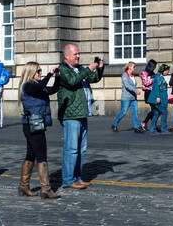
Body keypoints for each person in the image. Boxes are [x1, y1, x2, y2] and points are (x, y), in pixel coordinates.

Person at [57, 44, 104, 189]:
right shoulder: (63, 70)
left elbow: (94, 78)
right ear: (67, 56)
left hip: (82, 113)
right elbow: (72, 82)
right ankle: (68, 180)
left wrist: (99, 67)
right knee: (71, 149)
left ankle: (77, 177)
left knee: (81, 148)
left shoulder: (80, 69)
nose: (78, 56)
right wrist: (88, 69)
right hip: (71, 114)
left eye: (78, 54)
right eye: (75, 54)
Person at [18, 62, 60, 198]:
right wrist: (49, 74)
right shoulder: (28, 86)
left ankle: (23, 186)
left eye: (41, 71)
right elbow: (41, 86)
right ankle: (46, 189)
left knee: (31, 155)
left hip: (35, 125)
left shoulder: (38, 88)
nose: (40, 73)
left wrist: (57, 76)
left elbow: (53, 89)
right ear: (31, 73)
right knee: (42, 156)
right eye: (38, 71)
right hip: (33, 125)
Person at [112, 62, 143, 132]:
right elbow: (127, 86)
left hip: (133, 98)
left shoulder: (133, 76)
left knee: (135, 113)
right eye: (134, 67)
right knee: (123, 112)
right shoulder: (124, 76)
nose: (135, 68)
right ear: (129, 67)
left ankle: (136, 127)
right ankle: (114, 124)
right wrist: (135, 90)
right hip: (126, 98)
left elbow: (133, 85)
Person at [149, 64, 172, 134]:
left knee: (156, 114)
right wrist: (158, 97)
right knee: (164, 112)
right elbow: (156, 87)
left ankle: (152, 129)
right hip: (159, 99)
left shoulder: (160, 76)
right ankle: (164, 129)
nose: (168, 72)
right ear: (164, 70)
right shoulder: (158, 77)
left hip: (160, 98)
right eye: (167, 70)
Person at [140, 60, 156, 131]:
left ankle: (148, 123)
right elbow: (146, 82)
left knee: (154, 109)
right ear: (151, 66)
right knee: (154, 109)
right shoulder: (144, 73)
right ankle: (146, 123)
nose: (155, 67)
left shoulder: (153, 73)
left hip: (153, 92)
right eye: (154, 66)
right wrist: (153, 79)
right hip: (148, 92)